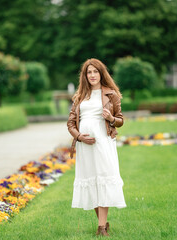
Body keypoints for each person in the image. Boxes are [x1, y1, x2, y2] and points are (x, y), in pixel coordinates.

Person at [67, 58, 126, 237]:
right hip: (85, 147)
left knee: (103, 179)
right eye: (89, 72)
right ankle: (103, 222)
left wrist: (110, 118)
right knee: (91, 181)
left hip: (103, 144)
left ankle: (101, 229)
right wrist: (79, 136)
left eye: (95, 72)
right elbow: (70, 123)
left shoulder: (111, 94)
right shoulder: (79, 96)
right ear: (85, 76)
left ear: (101, 73)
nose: (92, 75)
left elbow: (121, 120)